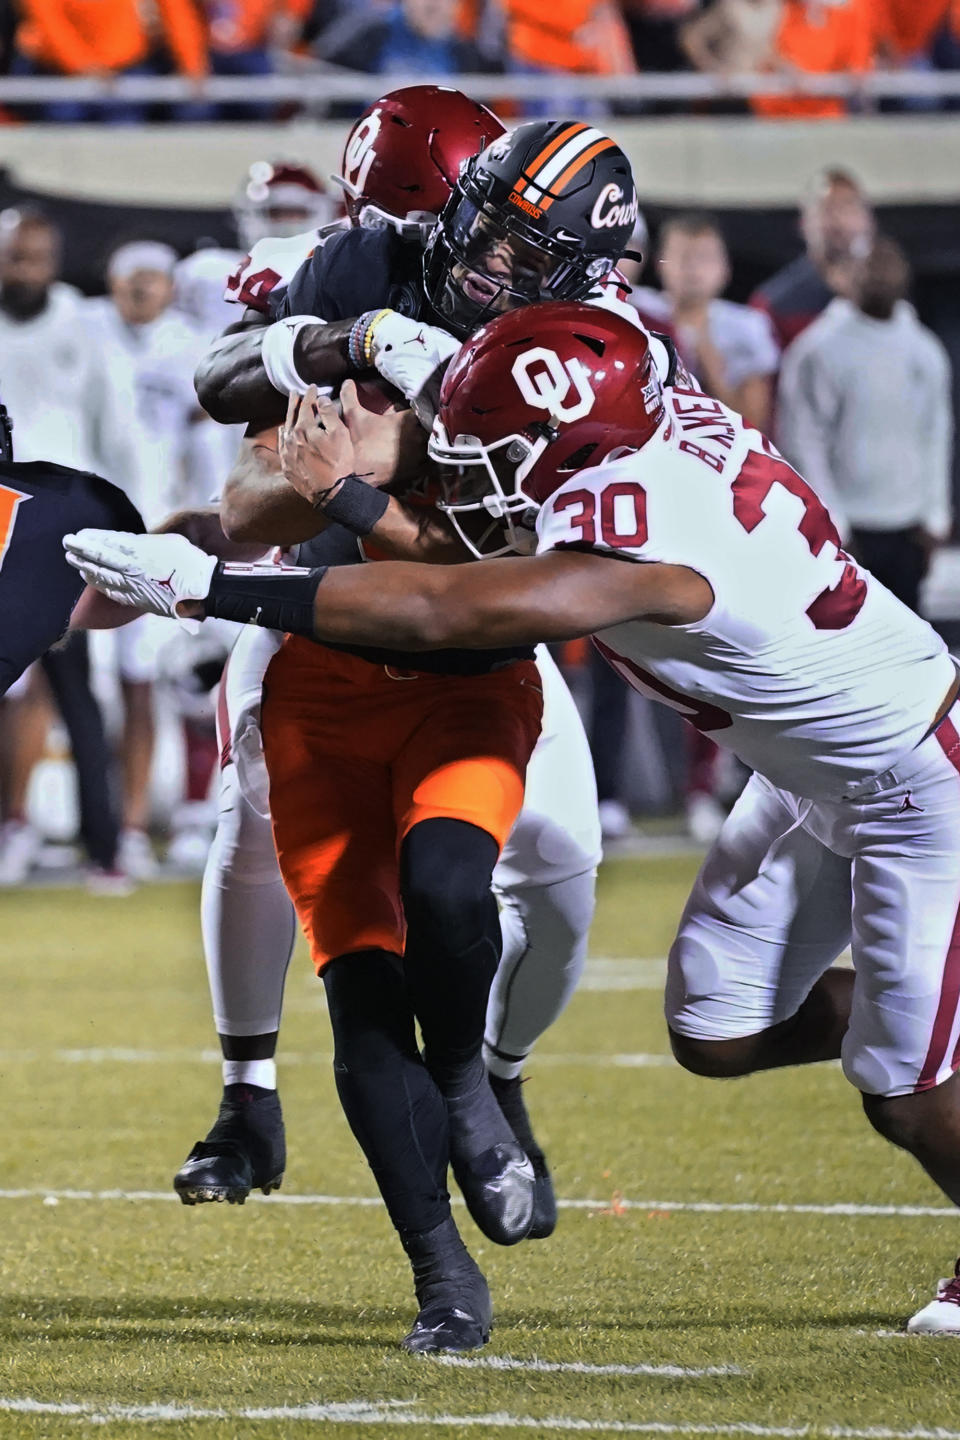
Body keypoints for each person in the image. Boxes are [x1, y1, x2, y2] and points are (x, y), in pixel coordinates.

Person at [69, 295, 960, 1338]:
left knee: (901, 1095)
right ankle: (933, 1015)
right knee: (715, 1030)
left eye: (501, 448)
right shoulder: (650, 419)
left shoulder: (643, 536)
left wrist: (218, 584)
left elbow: (451, 605)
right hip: (810, 772)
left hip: (915, 784)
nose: (480, 465)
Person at [177, 99, 625, 1354]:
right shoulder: (367, 266)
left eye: (521, 247)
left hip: (474, 654)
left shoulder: (585, 352)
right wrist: (328, 343)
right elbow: (238, 441)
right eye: (475, 223)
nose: (480, 261)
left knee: (515, 883)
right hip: (329, 654)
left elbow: (486, 556)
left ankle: (488, 1081)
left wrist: (360, 484)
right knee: (356, 985)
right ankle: (432, 1263)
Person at [0, 209, 135, 888]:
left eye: (36, 257)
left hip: (60, 541)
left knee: (77, 695)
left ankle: (105, 849)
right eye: (15, 257)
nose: (26, 270)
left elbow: (116, 430)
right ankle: (14, 829)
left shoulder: (84, 326)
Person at [777, 235, 953, 613]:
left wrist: (935, 514)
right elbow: (804, 441)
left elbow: (936, 432)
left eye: (889, 263)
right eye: (869, 264)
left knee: (906, 645)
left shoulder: (923, 348)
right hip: (847, 531)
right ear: (845, 277)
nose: (881, 273)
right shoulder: (817, 349)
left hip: (908, 529)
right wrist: (833, 523)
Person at [749, 169, 875, 351]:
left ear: (869, 220)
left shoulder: (892, 295)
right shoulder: (773, 304)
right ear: (804, 223)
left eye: (849, 207)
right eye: (828, 209)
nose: (840, 221)